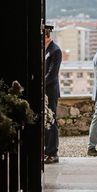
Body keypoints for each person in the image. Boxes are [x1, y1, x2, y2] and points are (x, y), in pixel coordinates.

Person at [44, 25, 62, 164]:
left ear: (46, 36)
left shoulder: (55, 50)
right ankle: (46, 150)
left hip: (50, 90)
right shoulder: (45, 50)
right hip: (44, 90)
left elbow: (52, 73)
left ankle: (53, 152)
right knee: (46, 120)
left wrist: (41, 84)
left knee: (52, 119)